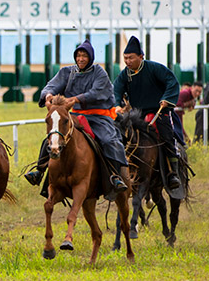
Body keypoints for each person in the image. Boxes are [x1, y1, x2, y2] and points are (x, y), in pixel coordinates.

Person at [23, 40, 129, 195]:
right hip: (75, 116)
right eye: (78, 56)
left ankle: (114, 175)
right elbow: (51, 85)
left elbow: (97, 92)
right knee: (54, 136)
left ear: (90, 58)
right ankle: (39, 171)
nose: (80, 59)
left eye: (84, 56)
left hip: (98, 117)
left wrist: (75, 99)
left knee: (108, 140)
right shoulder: (67, 72)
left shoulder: (99, 72)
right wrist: (48, 94)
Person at [113, 36, 182, 189]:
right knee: (118, 134)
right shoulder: (125, 74)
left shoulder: (154, 68)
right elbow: (117, 88)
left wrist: (166, 99)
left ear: (141, 56)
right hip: (136, 115)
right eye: (125, 58)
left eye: (131, 58)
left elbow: (172, 81)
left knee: (166, 135)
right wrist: (117, 105)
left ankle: (173, 173)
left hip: (158, 111)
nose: (128, 61)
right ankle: (116, 172)